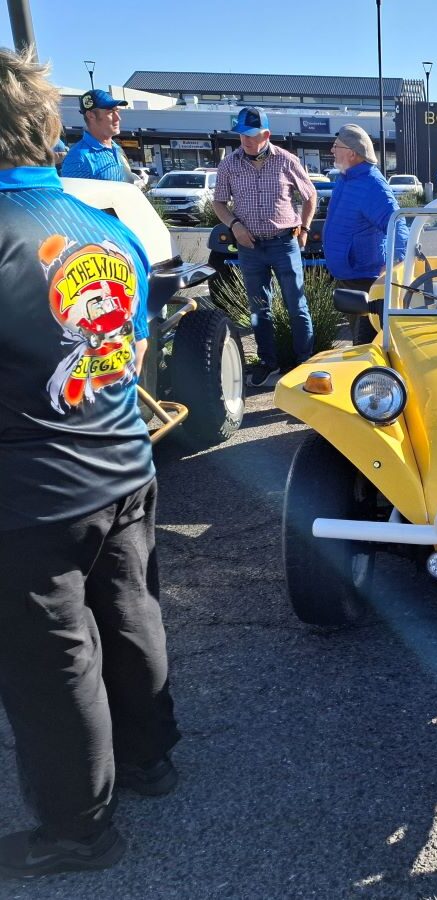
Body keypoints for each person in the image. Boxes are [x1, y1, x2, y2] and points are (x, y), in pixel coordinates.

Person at [0, 48, 180, 879]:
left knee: (51, 662)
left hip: (30, 489)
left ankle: (78, 829)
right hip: (123, 460)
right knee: (131, 615)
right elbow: (132, 341)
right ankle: (150, 759)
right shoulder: (103, 221)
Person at [213, 107, 316, 388]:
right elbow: (219, 203)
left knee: (297, 305)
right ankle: (268, 362)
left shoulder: (287, 161)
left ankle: (304, 362)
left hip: (284, 243)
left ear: (266, 135)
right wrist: (235, 226)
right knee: (259, 309)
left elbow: (310, 195)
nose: (245, 141)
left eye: (251, 135)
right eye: (241, 135)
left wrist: (304, 228)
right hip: (250, 247)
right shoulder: (229, 165)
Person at [323, 124, 409, 341]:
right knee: (357, 337)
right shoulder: (347, 176)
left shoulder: (372, 184)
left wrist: (397, 261)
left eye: (336, 146)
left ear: (352, 153)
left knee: (366, 342)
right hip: (351, 274)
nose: (332, 150)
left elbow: (397, 223)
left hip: (364, 279)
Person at [60, 90, 134, 183]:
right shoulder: (78, 158)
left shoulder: (117, 149)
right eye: (110, 112)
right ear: (91, 115)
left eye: (117, 111)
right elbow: (73, 196)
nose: (118, 118)